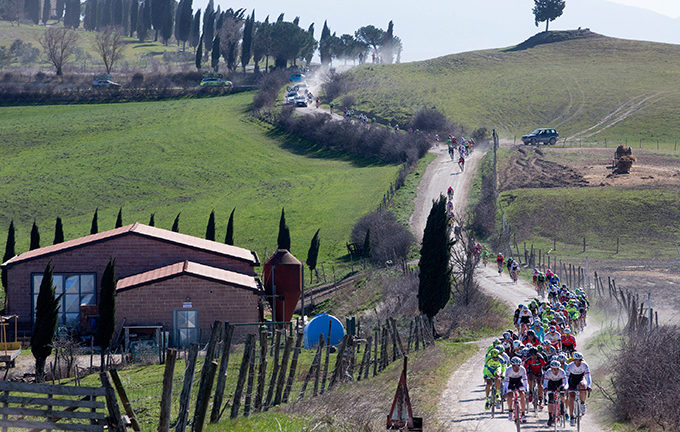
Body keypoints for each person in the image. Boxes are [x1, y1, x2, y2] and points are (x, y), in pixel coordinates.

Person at [566, 352, 591, 426]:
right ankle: (571, 417)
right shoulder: (570, 366)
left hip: (581, 377)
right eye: (577, 360)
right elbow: (566, 377)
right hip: (572, 379)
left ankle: (582, 403)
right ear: (574, 361)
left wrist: (589, 386)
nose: (578, 362)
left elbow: (588, 376)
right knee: (571, 396)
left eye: (580, 360)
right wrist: (566, 386)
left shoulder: (585, 365)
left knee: (583, 385)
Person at [543, 360, 567, 426]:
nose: (555, 371)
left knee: (562, 393)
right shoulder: (548, 372)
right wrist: (545, 388)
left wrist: (565, 388)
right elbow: (545, 382)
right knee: (550, 399)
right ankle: (550, 417)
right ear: (551, 368)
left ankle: (562, 406)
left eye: (557, 369)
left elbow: (565, 382)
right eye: (554, 369)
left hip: (560, 383)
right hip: (551, 383)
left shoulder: (562, 372)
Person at [504, 357, 528, 423]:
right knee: (509, 395)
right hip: (510, 381)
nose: (517, 368)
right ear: (512, 365)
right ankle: (510, 411)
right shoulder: (508, 370)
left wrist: (526, 390)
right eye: (514, 366)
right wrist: (505, 391)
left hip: (519, 381)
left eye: (518, 366)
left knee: (522, 394)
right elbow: (506, 382)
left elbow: (525, 381)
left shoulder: (523, 369)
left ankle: (523, 414)